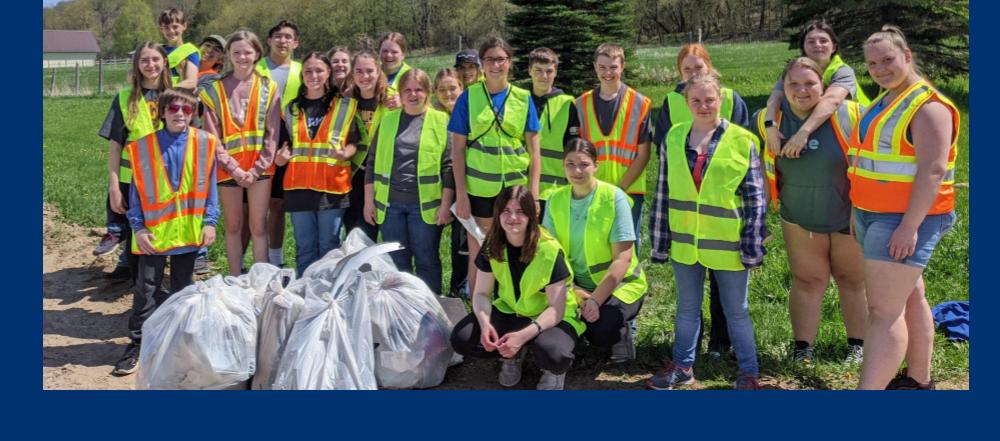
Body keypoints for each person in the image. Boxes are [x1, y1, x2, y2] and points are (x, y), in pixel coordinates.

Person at [850, 26, 959, 390]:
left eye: (888, 60)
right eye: (872, 63)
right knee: (911, 297)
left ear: (907, 56)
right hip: (872, 214)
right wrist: (857, 210)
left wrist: (909, 227)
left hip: (903, 219)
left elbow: (933, 170)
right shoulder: (885, 101)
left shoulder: (928, 107)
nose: (880, 68)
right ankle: (918, 382)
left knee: (883, 312)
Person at [645, 74, 766, 390]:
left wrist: (753, 244)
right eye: (695, 100)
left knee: (736, 311)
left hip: (728, 243)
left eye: (709, 100)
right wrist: (660, 241)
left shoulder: (742, 140)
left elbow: (755, 197)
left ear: (721, 100)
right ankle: (683, 367)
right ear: (686, 103)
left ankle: (749, 372)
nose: (703, 106)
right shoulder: (674, 136)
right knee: (687, 309)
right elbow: (663, 190)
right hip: (686, 242)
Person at [753, 57, 868, 364]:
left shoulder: (850, 115)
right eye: (793, 84)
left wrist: (862, 209)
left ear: (824, 87)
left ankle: (858, 346)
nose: (801, 90)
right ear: (783, 88)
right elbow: (758, 171)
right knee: (807, 281)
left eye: (810, 83)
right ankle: (802, 349)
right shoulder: (767, 121)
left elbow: (871, 165)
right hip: (799, 215)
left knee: (852, 280)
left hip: (847, 216)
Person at [650, 43, 751, 357]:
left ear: (710, 67)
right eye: (687, 70)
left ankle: (722, 343)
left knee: (725, 287)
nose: (694, 74)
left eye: (699, 67)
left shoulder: (732, 98)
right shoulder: (670, 102)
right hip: (687, 210)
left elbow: (745, 152)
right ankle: (689, 350)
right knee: (690, 294)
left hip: (723, 209)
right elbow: (665, 153)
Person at [112, 88, 220, 376]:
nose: (180, 115)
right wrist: (139, 228)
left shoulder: (206, 143)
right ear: (161, 112)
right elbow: (135, 195)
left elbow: (211, 189)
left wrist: (210, 222)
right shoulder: (142, 147)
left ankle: (179, 345)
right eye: (173, 108)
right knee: (145, 289)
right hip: (154, 235)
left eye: (187, 110)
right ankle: (137, 345)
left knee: (183, 291)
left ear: (194, 114)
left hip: (188, 233)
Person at [450, 186, 585, 390]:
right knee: (462, 338)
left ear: (532, 215)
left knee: (553, 353)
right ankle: (512, 354)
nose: (513, 217)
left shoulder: (548, 249)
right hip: (512, 310)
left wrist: (522, 336)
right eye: (506, 211)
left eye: (520, 211)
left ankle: (554, 370)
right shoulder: (492, 244)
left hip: (553, 317)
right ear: (498, 214)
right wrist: (486, 324)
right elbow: (481, 294)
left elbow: (556, 310)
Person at [449, 36, 542, 307]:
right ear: (482, 64)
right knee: (480, 248)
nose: (495, 65)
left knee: (514, 247)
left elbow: (534, 151)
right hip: (478, 190)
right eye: (489, 59)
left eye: (501, 59)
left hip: (514, 192)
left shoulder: (523, 99)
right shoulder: (469, 97)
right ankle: (478, 309)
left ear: (509, 63)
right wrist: (462, 196)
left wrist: (534, 195)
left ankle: (512, 307)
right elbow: (457, 151)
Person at [543, 138, 646, 363]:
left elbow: (623, 259)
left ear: (596, 166)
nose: (577, 170)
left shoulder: (614, 197)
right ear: (563, 165)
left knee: (600, 328)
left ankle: (621, 335)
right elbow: (550, 255)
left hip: (620, 284)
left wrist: (594, 301)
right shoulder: (555, 199)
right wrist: (577, 292)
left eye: (584, 164)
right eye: (570, 164)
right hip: (575, 285)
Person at [364, 68, 454, 294]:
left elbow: (449, 167)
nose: (413, 95)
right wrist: (369, 202)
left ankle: (430, 307)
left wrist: (445, 206)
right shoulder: (388, 120)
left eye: (419, 90)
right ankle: (401, 307)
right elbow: (372, 162)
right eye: (407, 90)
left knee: (427, 260)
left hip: (425, 207)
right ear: (401, 94)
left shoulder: (441, 121)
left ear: (428, 93)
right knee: (397, 263)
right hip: (390, 206)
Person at [200, 30, 281, 276]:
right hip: (228, 170)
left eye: (247, 52)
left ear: (257, 54)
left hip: (260, 170)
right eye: (236, 52)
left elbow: (273, 134)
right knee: (234, 226)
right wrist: (234, 169)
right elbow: (212, 138)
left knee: (258, 226)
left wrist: (256, 169)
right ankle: (235, 279)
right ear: (228, 56)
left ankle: (259, 281)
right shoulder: (213, 90)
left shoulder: (269, 87)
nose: (242, 57)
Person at [273, 52, 361, 277]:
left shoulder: (344, 105)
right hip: (299, 188)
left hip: (332, 188)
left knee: (329, 246)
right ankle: (306, 292)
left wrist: (344, 154)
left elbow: (354, 143)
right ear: (302, 75)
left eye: (319, 70)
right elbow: (285, 146)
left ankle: (330, 296)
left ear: (328, 73)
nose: (314, 75)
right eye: (308, 71)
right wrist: (280, 159)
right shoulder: (291, 109)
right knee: (305, 249)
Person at [95, 42, 171, 282]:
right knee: (137, 239)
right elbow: (116, 147)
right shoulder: (125, 97)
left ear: (164, 62)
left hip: (169, 182)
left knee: (167, 237)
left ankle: (157, 286)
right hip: (133, 182)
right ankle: (141, 292)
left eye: (155, 59)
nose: (151, 65)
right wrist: (114, 188)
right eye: (145, 60)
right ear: (137, 65)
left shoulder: (176, 96)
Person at [763, 20, 871, 161]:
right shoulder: (796, 70)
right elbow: (775, 97)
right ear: (804, 47)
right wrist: (770, 126)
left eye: (823, 41)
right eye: (811, 41)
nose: (817, 45)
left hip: (858, 129)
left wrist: (802, 133)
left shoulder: (842, 71)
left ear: (834, 47)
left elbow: (831, 101)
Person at [575, 43, 651, 243]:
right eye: (602, 67)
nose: (608, 72)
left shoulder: (639, 103)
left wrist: (620, 188)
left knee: (627, 248)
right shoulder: (580, 104)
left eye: (613, 67)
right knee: (595, 246)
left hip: (629, 191)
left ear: (622, 66)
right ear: (595, 67)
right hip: (592, 190)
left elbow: (644, 154)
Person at [256, 20, 303, 268]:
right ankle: (254, 261)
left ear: (295, 42)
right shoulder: (257, 68)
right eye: (278, 36)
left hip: (292, 142)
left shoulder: (303, 70)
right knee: (254, 207)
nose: (283, 41)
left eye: (288, 37)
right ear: (269, 40)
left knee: (279, 204)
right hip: (259, 141)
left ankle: (276, 260)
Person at [341, 50, 388, 242]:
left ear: (378, 71)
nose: (364, 76)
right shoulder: (346, 100)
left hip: (384, 174)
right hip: (355, 173)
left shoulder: (392, 98)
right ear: (352, 74)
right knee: (357, 231)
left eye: (369, 71)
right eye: (359, 71)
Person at [528, 47, 580, 215]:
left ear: (555, 72)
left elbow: (573, 148)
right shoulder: (519, 101)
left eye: (549, 71)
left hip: (556, 189)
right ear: (530, 71)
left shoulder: (567, 104)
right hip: (522, 187)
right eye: (538, 71)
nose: (544, 76)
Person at [433, 68, 471, 297]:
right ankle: (452, 286)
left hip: (467, 184)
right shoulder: (433, 117)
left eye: (453, 88)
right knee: (449, 242)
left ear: (462, 88)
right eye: (442, 89)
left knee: (465, 237)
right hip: (438, 187)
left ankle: (465, 284)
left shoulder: (469, 112)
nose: (448, 94)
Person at [157, 8, 199, 90]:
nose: (171, 31)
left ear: (184, 26)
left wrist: (165, 90)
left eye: (175, 26)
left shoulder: (189, 52)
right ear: (161, 29)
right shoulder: (157, 50)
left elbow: (191, 82)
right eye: (166, 27)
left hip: (175, 98)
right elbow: (133, 75)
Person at [379, 32, 411, 108]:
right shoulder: (370, 73)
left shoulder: (412, 76)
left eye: (394, 52)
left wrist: (405, 102)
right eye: (385, 51)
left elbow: (425, 105)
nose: (389, 55)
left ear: (403, 54)